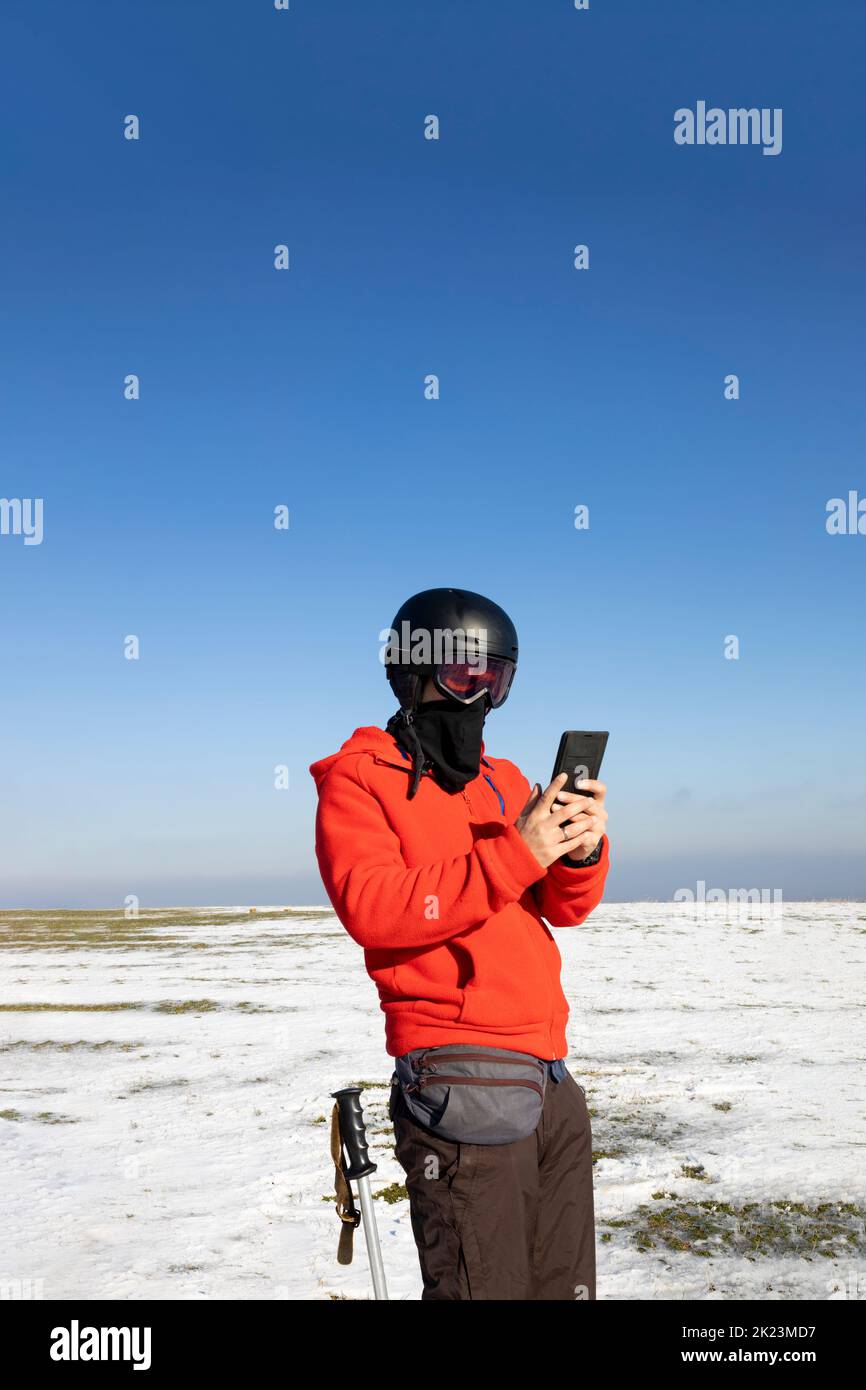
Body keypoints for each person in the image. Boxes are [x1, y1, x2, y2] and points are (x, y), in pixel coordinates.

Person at [309, 588, 609, 1300]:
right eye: (461, 675)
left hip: (549, 1074)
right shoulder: (359, 781)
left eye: (494, 679)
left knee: (566, 1290)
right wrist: (517, 853)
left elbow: (562, 911)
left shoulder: (503, 782)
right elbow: (374, 909)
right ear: (409, 675)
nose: (478, 697)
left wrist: (575, 855)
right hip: (459, 1075)